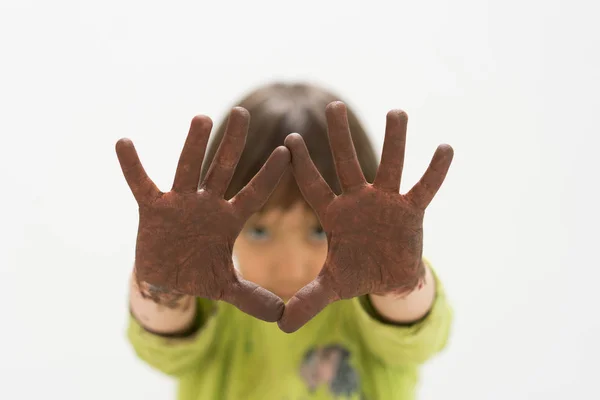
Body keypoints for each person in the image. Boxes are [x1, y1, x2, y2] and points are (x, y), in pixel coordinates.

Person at [116, 82, 454, 400]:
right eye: (260, 231)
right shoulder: (210, 310)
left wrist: (399, 287)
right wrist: (160, 290)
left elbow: (414, 334)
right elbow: (165, 344)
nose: (291, 264)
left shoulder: (373, 308)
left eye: (320, 231)